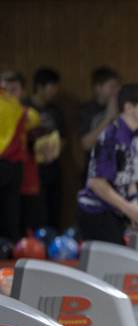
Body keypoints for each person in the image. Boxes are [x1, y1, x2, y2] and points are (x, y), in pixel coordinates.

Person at [76, 83, 138, 244]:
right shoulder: (111, 136)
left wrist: (135, 209)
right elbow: (96, 183)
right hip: (96, 212)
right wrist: (128, 208)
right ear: (129, 108)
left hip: (116, 210)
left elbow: (130, 179)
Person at [0, 71, 39, 242]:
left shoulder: (21, 110)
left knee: (12, 207)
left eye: (13, 89)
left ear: (22, 91)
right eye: (5, 88)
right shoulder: (7, 106)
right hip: (2, 161)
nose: (9, 93)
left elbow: (34, 118)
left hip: (15, 165)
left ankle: (11, 245)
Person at [24, 67, 65, 230]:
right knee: (34, 212)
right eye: (51, 87)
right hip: (31, 170)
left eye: (56, 87)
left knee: (53, 210)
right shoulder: (25, 108)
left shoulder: (55, 111)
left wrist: (54, 149)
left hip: (53, 167)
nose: (55, 91)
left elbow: (64, 138)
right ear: (40, 87)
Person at [78, 66, 121, 170]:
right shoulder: (86, 110)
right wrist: (108, 118)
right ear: (98, 88)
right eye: (111, 86)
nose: (116, 91)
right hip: (94, 171)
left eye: (117, 86)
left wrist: (118, 116)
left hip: (118, 170)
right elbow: (86, 144)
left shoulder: (123, 108)